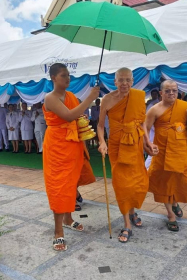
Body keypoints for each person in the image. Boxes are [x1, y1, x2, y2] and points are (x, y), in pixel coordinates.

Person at [42, 63, 99, 251]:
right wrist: (90, 97)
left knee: (71, 184)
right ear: (53, 78)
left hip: (73, 144)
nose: (68, 79)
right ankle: (58, 232)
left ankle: (68, 218)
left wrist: (83, 119)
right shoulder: (50, 98)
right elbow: (68, 116)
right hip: (57, 145)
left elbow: (77, 115)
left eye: (68, 75)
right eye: (63, 75)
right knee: (59, 186)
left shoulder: (71, 96)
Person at [97, 67, 149, 243]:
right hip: (116, 145)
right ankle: (127, 223)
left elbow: (142, 124)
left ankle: (132, 212)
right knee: (121, 185)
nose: (125, 83)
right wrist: (102, 141)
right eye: (121, 80)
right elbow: (100, 126)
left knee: (135, 182)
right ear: (115, 81)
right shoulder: (107, 99)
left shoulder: (138, 97)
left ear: (132, 81)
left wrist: (148, 143)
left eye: (128, 80)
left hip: (134, 144)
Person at [145, 79, 187, 232]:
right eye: (167, 91)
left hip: (181, 151)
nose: (171, 93)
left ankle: (174, 202)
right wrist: (148, 145)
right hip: (162, 153)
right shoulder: (154, 109)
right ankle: (170, 214)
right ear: (161, 93)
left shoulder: (185, 106)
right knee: (164, 183)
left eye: (174, 90)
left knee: (182, 180)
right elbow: (144, 130)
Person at [145, 89, 160, 169]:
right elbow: (147, 120)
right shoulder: (152, 105)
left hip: (163, 135)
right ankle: (144, 171)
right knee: (152, 153)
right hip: (154, 132)